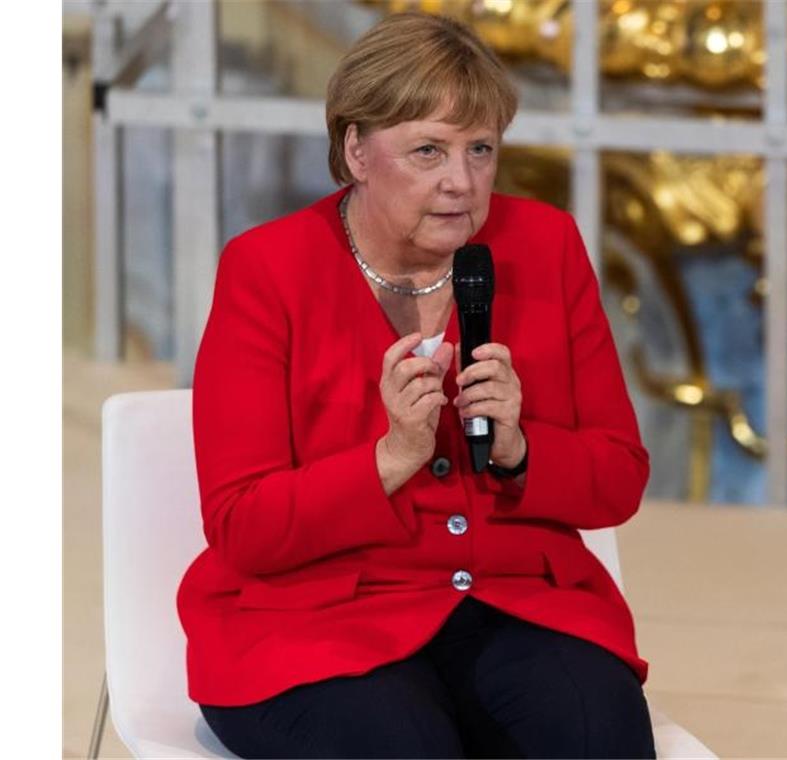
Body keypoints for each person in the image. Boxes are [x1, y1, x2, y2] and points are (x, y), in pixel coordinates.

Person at [176, 11, 656, 759]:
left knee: (598, 731)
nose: (460, 182)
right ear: (357, 150)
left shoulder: (547, 245)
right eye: (428, 150)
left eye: (480, 150)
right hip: (316, 620)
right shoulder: (267, 270)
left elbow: (619, 477)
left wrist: (521, 450)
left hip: (512, 601)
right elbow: (241, 524)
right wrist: (388, 460)